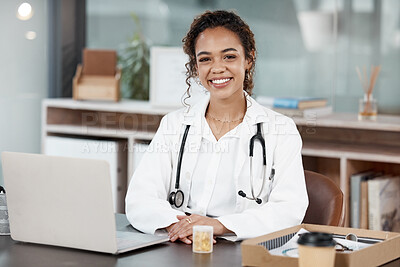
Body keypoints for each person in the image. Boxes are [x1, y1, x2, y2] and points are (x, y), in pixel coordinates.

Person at [125, 10, 308, 244]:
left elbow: (289, 210)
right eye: (205, 59)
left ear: (249, 59)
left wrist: (220, 226)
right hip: (182, 245)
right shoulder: (174, 125)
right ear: (195, 66)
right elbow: (139, 198)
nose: (217, 68)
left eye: (229, 57)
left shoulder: (281, 130)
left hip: (242, 249)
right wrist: (179, 226)